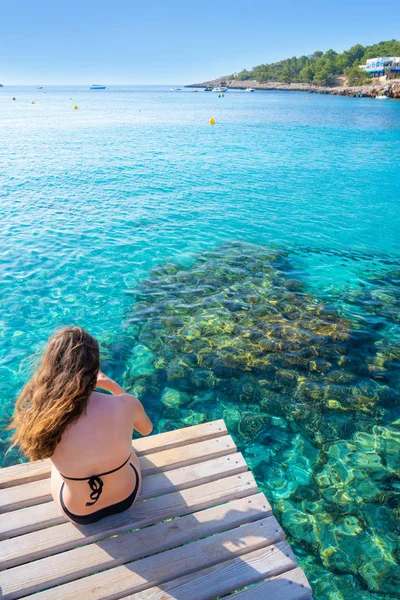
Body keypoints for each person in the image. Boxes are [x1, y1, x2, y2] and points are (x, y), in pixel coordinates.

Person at [9, 325, 153, 525]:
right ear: (95, 366)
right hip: (126, 498)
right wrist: (111, 385)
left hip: (79, 512)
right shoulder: (126, 404)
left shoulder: (43, 416)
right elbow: (146, 430)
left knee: (57, 464)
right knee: (130, 451)